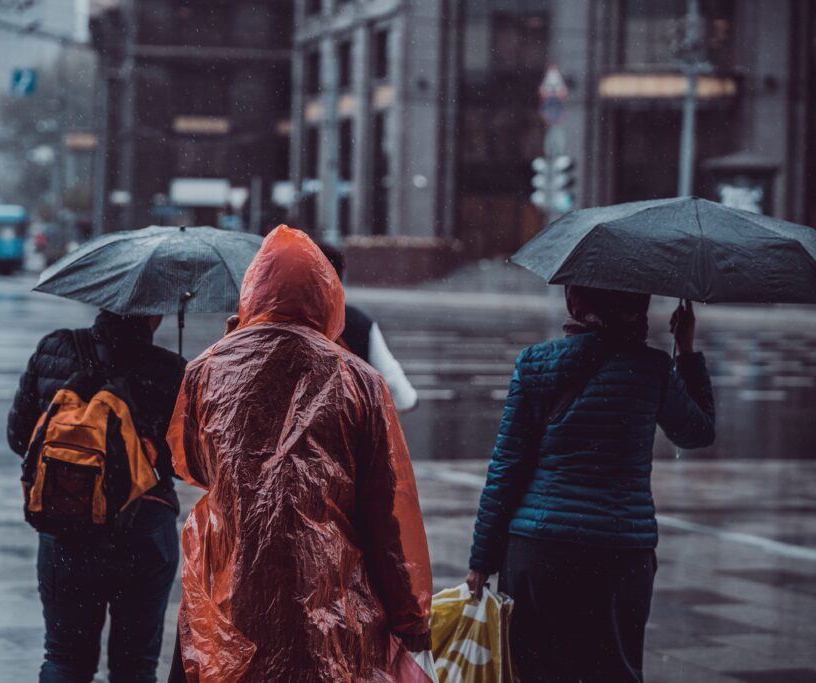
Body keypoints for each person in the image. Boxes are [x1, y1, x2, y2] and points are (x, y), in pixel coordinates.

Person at [167, 225, 432, 682]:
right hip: (326, 591)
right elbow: (386, 511)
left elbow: (192, 463)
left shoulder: (207, 370)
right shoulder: (359, 381)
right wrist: (410, 617)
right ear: (327, 294)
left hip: (232, 584)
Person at [465, 287, 715, 683]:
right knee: (613, 672)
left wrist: (482, 559)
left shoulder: (535, 363)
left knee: (536, 672)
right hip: (619, 555)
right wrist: (685, 351)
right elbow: (698, 432)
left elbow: (507, 467)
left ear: (575, 302)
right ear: (639, 306)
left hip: (539, 549)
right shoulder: (652, 368)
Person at [7, 310, 187, 683]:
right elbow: (190, 462)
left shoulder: (55, 348)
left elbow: (21, 437)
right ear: (152, 312)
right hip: (145, 530)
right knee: (135, 667)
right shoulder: (170, 369)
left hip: (67, 527)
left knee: (63, 659)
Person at [318, 242, 418, 412]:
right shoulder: (357, 323)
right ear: (339, 279)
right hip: (343, 430)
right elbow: (395, 387)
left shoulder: (275, 323)